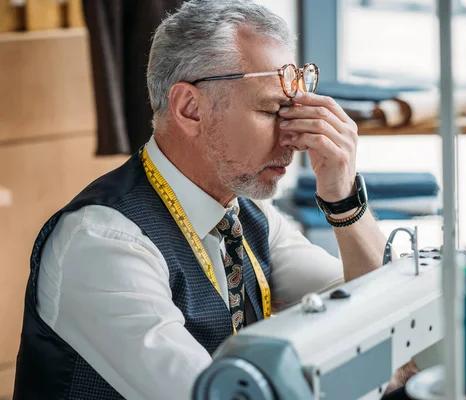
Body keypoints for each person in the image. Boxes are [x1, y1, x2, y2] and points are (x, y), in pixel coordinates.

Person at [12, 1, 417, 399]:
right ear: (190, 109)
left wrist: (344, 198)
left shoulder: (250, 214)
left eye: (295, 110)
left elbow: (389, 315)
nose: (293, 137)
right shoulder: (102, 244)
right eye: (272, 110)